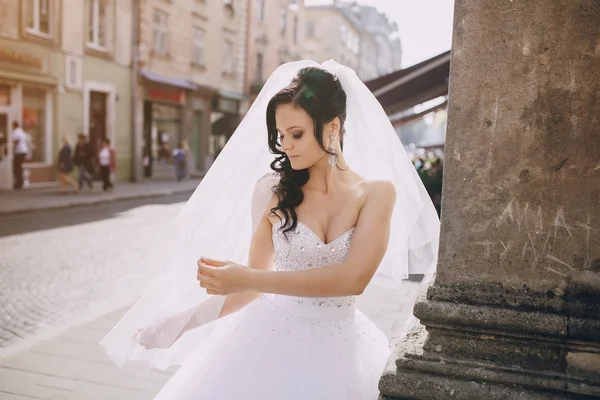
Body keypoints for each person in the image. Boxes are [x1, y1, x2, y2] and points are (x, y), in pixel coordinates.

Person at [101, 61, 440, 399]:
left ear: (332, 127)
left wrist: (248, 278)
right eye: (280, 135)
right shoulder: (271, 192)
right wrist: (178, 322)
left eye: (296, 133)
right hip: (266, 341)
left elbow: (354, 279)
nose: (285, 145)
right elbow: (247, 291)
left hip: (343, 350)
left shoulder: (377, 192)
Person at [11, 121, 29, 190]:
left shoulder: (16, 132)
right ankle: (20, 182)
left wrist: (12, 150)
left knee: (16, 168)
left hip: (19, 151)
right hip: (23, 151)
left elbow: (16, 141)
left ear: (14, 125)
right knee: (18, 167)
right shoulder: (21, 131)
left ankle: (18, 183)